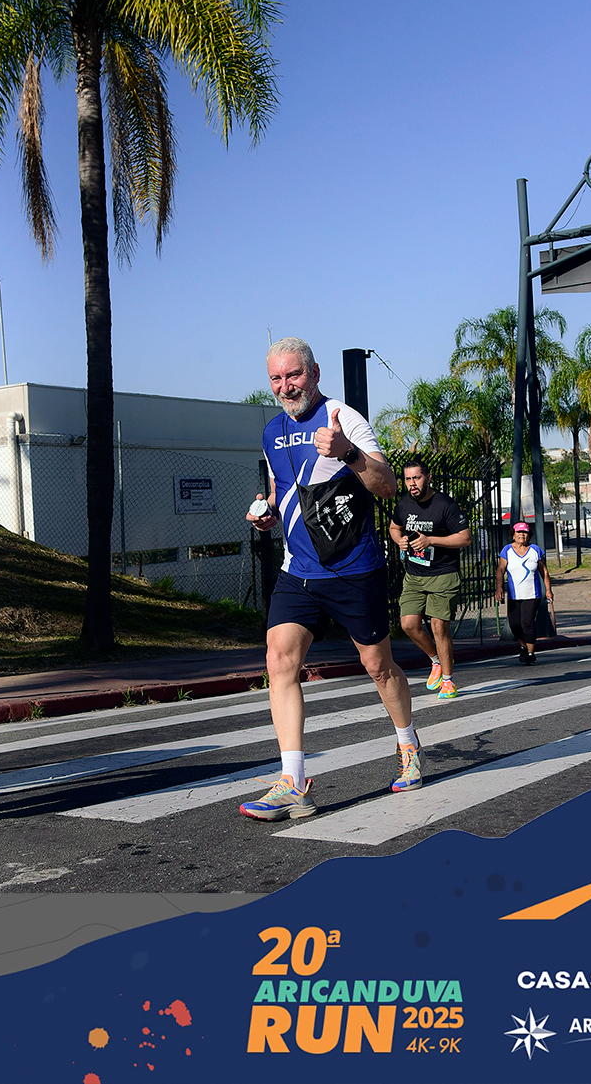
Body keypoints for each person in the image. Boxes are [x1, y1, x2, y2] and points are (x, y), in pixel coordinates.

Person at [241, 337, 422, 822]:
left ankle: (408, 744)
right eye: (276, 378)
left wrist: (347, 452)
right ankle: (293, 782)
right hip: (298, 570)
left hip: (353, 569)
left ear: (315, 373)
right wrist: (267, 514)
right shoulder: (272, 431)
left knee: (378, 666)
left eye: (293, 375)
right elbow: (282, 492)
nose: (285, 386)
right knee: (279, 660)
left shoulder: (344, 417)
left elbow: (387, 486)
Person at [388, 457, 471, 699]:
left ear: (428, 477)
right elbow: (394, 527)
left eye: (417, 477)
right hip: (414, 575)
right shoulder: (404, 504)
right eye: (407, 479)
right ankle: (435, 661)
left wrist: (431, 540)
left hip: (443, 575)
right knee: (408, 624)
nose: (412, 483)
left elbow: (465, 538)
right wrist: (400, 540)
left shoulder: (445, 504)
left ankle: (448, 681)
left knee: (438, 627)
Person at [495, 522, 553, 665]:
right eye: (519, 532)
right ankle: (523, 645)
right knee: (515, 624)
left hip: (532, 594)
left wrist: (548, 590)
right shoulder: (507, 550)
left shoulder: (535, 550)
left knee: (527, 623)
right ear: (513, 535)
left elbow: (544, 571)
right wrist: (499, 588)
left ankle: (531, 654)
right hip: (514, 595)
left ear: (529, 535)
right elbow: (500, 570)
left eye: (525, 532)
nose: (522, 535)